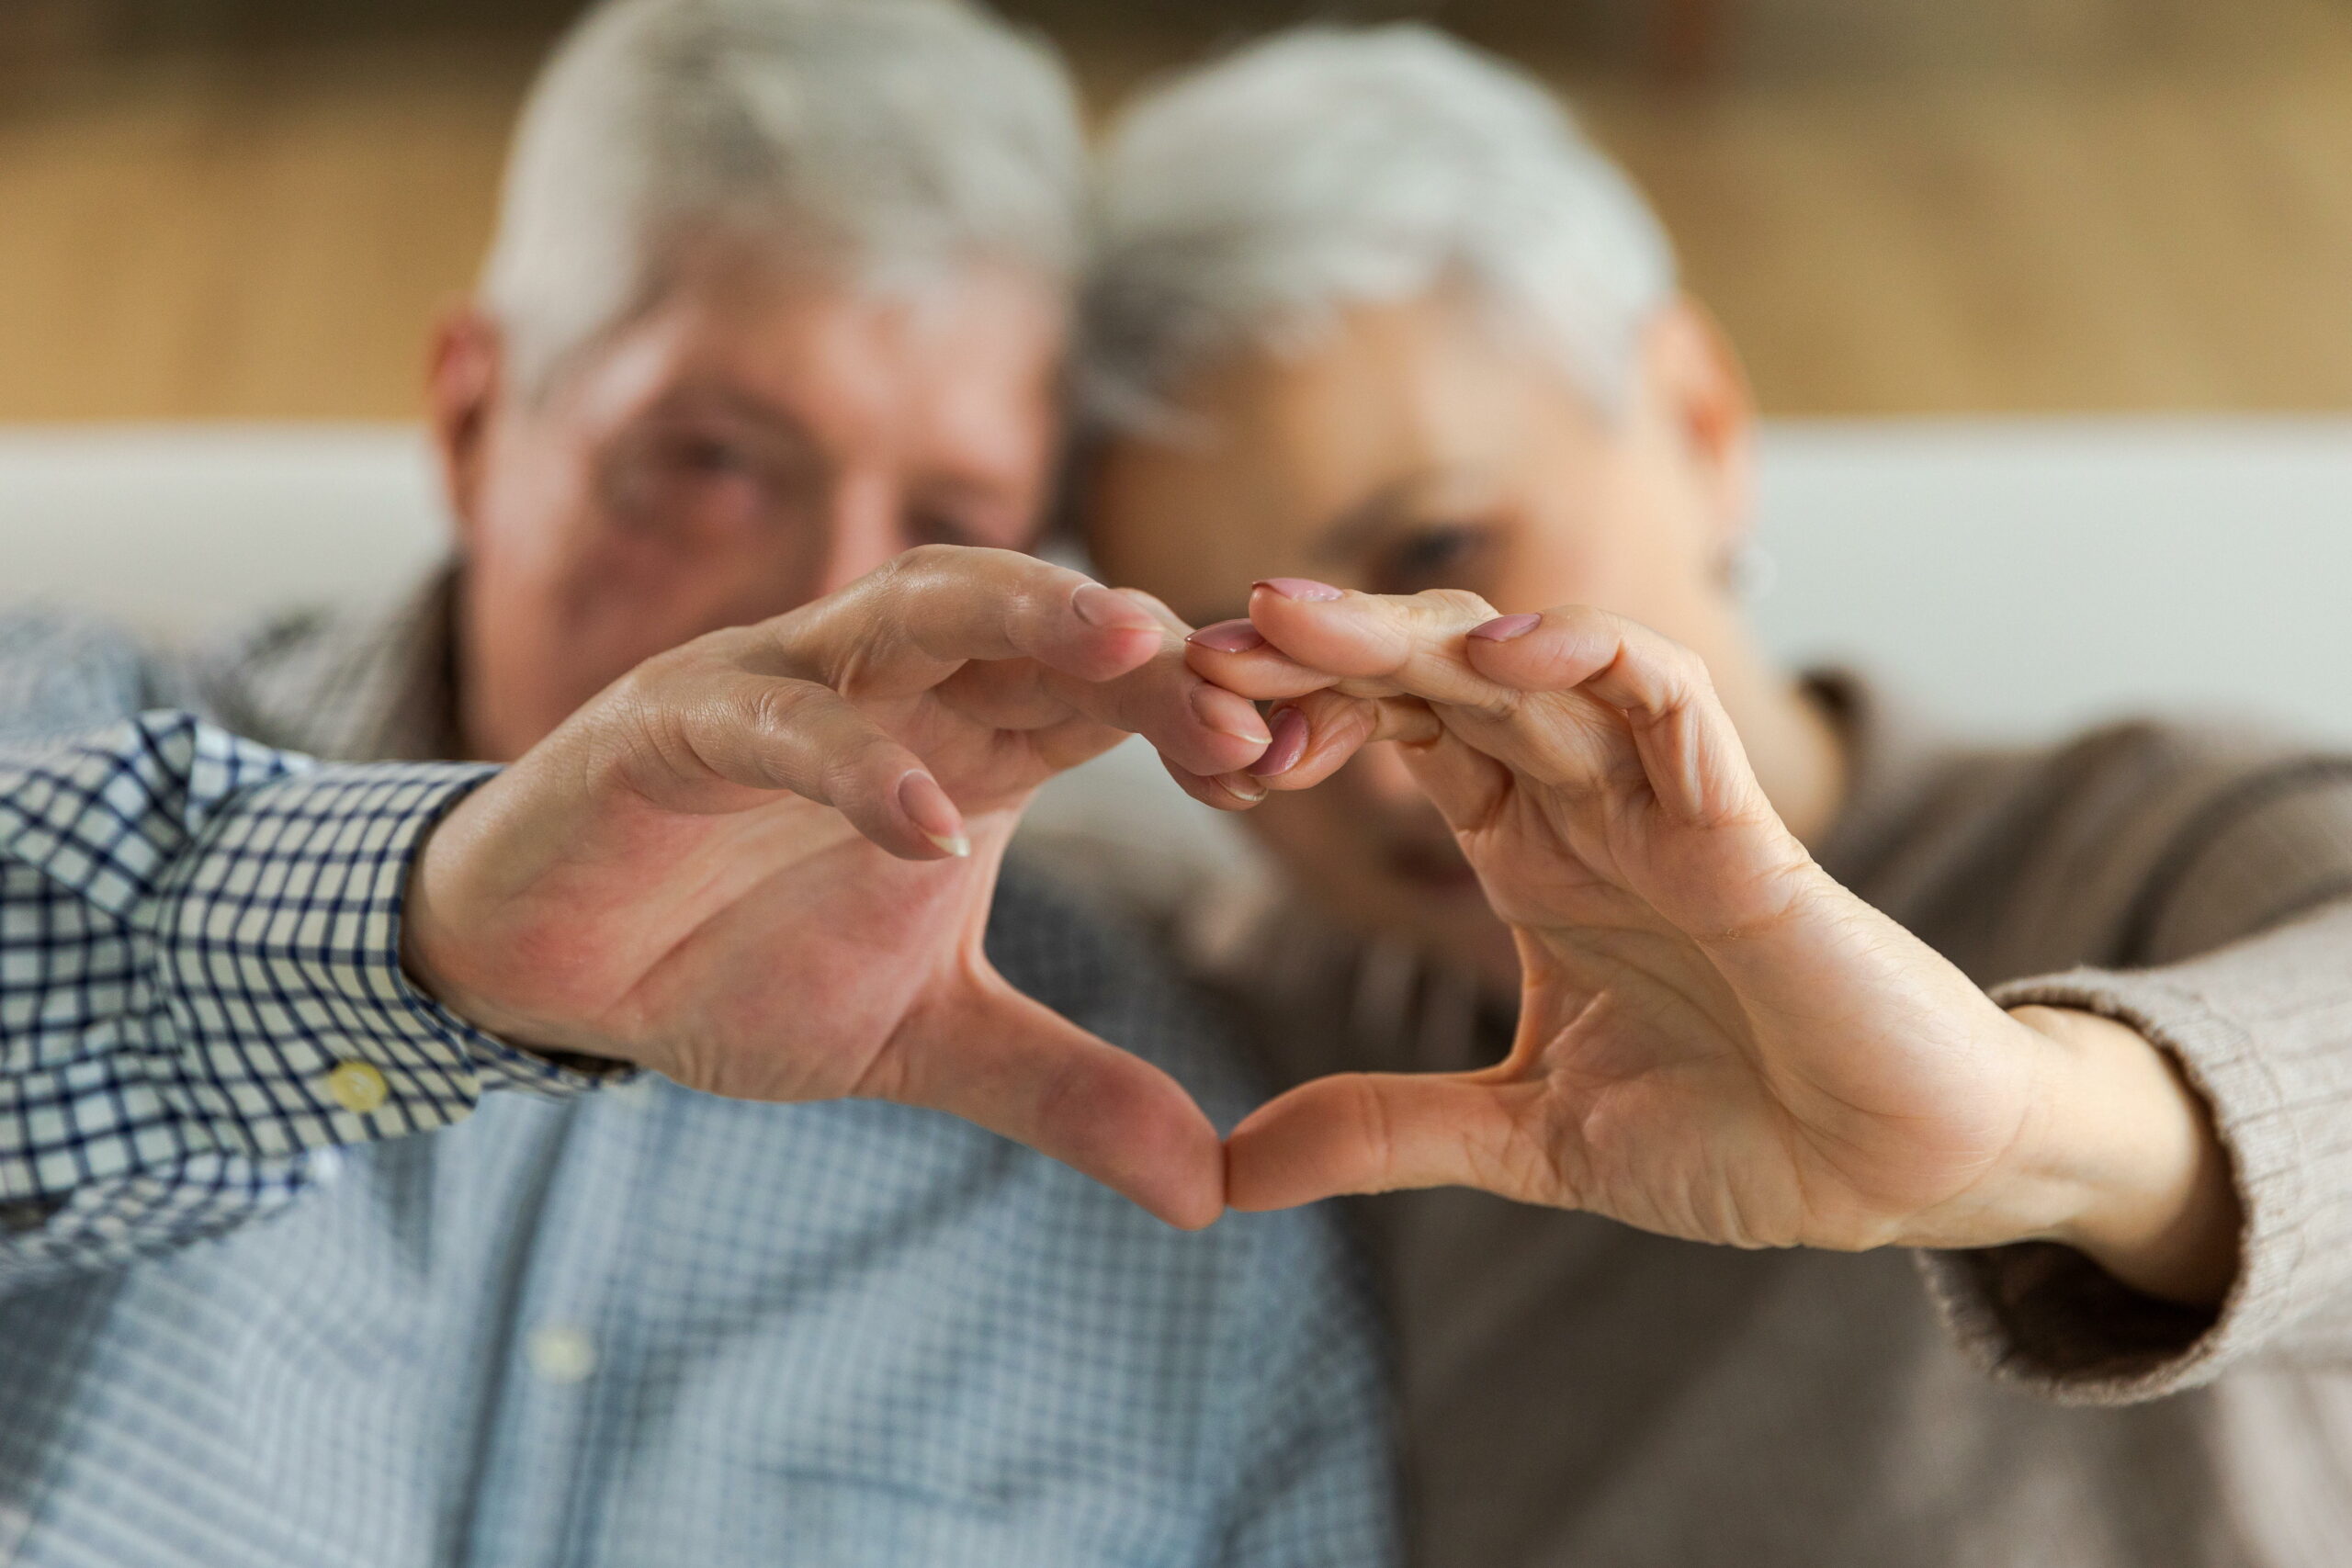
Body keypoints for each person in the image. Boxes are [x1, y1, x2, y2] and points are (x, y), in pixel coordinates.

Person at [0, 4, 1396, 1564]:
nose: (841, 612)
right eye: (719, 463)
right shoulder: (45, 734)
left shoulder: (1153, 1143)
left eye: (956, 518)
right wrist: (436, 929)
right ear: (474, 418)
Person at [1076, 25, 2352, 1568]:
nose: (1380, 748)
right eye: (1243, 671)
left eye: (1437, 554)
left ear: (1697, 420)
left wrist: (2041, 1136)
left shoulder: (2146, 834)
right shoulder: (1264, 1027)